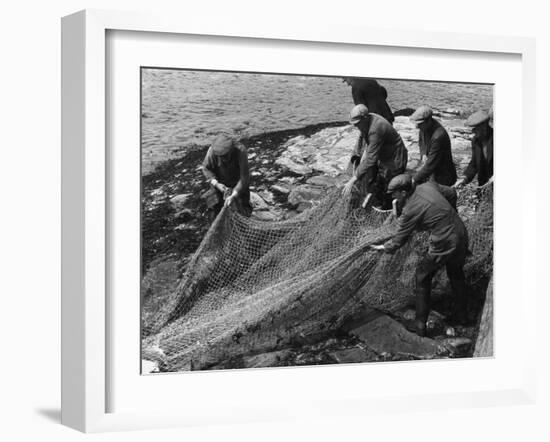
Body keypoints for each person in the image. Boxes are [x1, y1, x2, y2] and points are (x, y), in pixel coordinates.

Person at [370, 174, 469, 336]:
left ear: (403, 193)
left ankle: (420, 325)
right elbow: (451, 193)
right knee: (456, 273)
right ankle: (462, 316)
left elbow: (399, 239)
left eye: (394, 193)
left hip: (444, 242)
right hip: (460, 231)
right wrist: (446, 214)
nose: (392, 196)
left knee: (422, 276)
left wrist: (383, 247)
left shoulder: (410, 209)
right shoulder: (428, 186)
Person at [342, 104, 408, 208]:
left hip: (395, 158)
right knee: (377, 183)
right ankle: (378, 203)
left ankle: (389, 211)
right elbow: (367, 147)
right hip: (383, 155)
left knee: (390, 187)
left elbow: (371, 159)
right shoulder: (367, 121)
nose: (355, 126)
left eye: (357, 123)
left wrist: (353, 179)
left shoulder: (376, 129)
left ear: (365, 118)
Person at [201, 133, 252, 219]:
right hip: (220, 182)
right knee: (216, 207)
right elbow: (206, 168)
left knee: (244, 208)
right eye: (222, 157)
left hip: (237, 182)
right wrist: (217, 184)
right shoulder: (212, 151)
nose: (225, 158)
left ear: (231, 150)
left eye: (226, 155)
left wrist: (234, 194)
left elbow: (244, 178)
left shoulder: (241, 151)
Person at [409, 105, 457, 186]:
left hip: (443, 176)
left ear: (428, 121)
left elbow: (431, 164)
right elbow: (421, 142)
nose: (417, 126)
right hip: (432, 172)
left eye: (419, 124)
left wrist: (414, 180)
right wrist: (423, 154)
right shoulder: (423, 128)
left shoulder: (439, 136)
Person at [454, 110, 493, 188]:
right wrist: (465, 178)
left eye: (475, 129)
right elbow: (474, 164)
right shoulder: (476, 141)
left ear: (484, 127)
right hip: (483, 184)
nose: (473, 132)